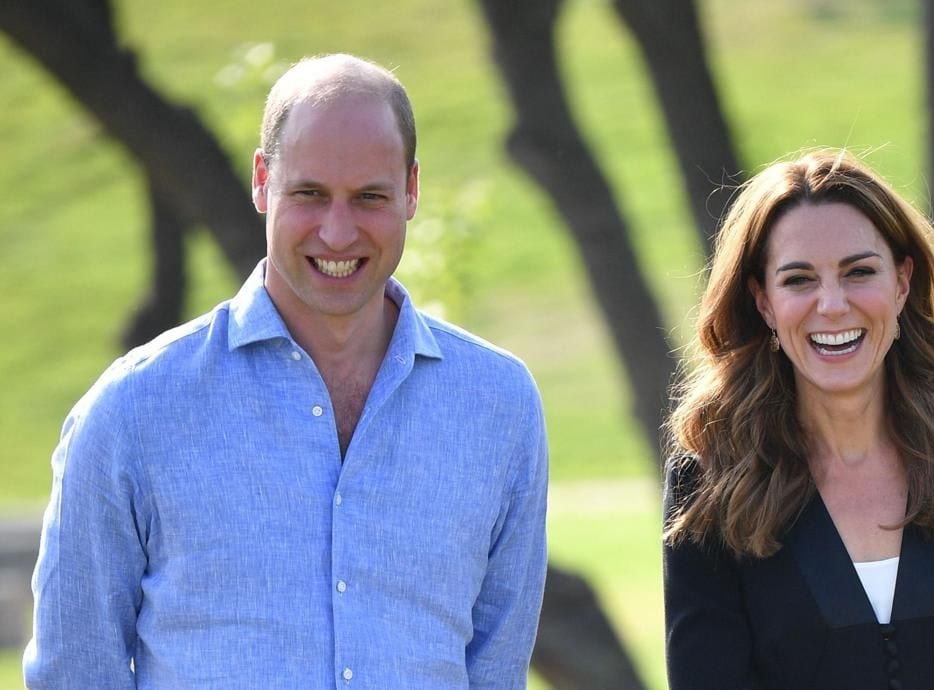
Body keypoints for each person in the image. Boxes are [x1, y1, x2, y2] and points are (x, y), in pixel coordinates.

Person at [24, 53, 548, 689]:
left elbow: (496, 672)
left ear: (411, 190)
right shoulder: (132, 412)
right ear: (262, 181)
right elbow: (73, 672)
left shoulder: (500, 405)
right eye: (309, 194)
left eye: (369, 197)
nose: (336, 231)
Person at [662, 150, 934, 689]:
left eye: (859, 271)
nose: (833, 304)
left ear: (902, 282)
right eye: (799, 280)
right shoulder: (709, 492)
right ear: (764, 302)